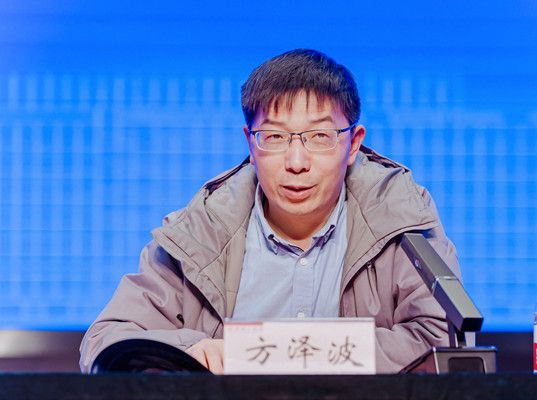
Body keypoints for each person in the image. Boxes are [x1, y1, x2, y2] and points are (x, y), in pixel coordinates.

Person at [79, 49, 461, 374]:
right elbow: (104, 342)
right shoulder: (200, 232)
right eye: (274, 137)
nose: (296, 162)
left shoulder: (400, 220)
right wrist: (192, 350)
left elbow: (444, 342)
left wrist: (268, 352)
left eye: (319, 137)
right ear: (250, 143)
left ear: (354, 144)